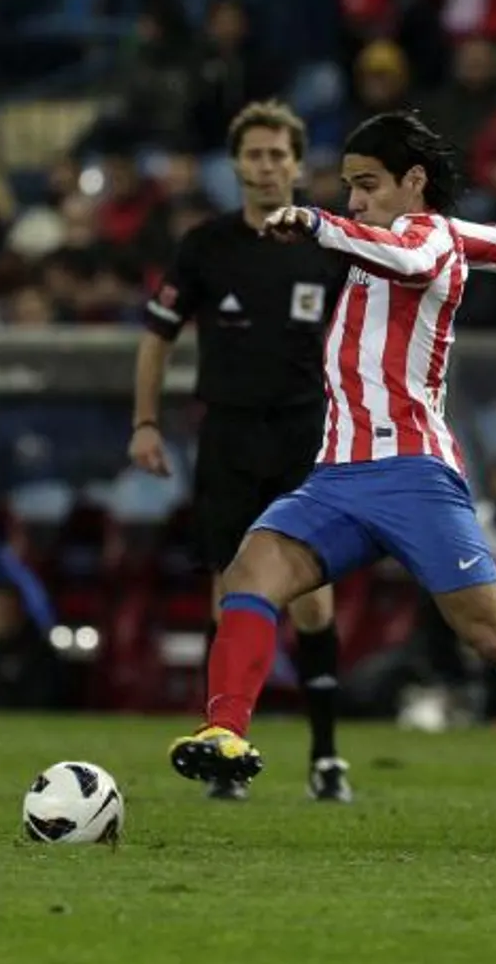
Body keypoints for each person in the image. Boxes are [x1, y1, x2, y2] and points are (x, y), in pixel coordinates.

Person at [166, 111, 496, 851]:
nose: (355, 201)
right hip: (339, 473)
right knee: (251, 567)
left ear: (413, 181)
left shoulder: (424, 238)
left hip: (416, 474)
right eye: (347, 188)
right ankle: (225, 731)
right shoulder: (421, 237)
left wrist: (318, 223)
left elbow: (416, 261)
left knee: (495, 636)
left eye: (367, 185)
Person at [130, 101, 354, 803]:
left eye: (277, 155)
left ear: (297, 163)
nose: (265, 166)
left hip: (305, 432)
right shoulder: (205, 244)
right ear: (236, 165)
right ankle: (223, 750)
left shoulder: (329, 243)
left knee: (312, 599)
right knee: (228, 593)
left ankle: (325, 754)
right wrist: (144, 421)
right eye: (253, 155)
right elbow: (157, 336)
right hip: (226, 433)